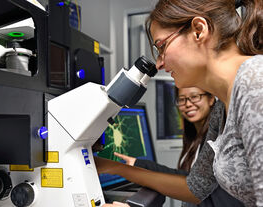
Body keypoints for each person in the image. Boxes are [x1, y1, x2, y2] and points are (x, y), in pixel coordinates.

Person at [95, 0, 263, 206]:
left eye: (161, 46)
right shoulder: (222, 106)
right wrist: (115, 168)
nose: (159, 63)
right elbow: (197, 187)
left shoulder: (255, 84)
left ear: (199, 31)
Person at [106, 87, 244, 207]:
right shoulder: (193, 139)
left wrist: (119, 169)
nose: (188, 104)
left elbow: (195, 185)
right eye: (182, 99)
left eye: (195, 97)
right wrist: (138, 164)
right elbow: (190, 177)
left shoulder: (216, 139)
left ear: (211, 99)